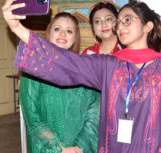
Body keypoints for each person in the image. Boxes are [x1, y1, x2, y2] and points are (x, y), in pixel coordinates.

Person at [3, 0, 161, 153]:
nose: (120, 26)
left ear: (147, 26)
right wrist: (17, 28)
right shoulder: (108, 65)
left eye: (128, 20)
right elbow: (67, 62)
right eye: (118, 22)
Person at [18, 12, 101, 153]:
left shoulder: (85, 69)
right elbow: (32, 117)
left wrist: (80, 146)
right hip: (46, 149)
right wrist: (60, 149)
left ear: (75, 38)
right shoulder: (33, 71)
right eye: (57, 29)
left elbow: (94, 113)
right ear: (48, 33)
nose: (63, 34)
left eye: (69, 31)